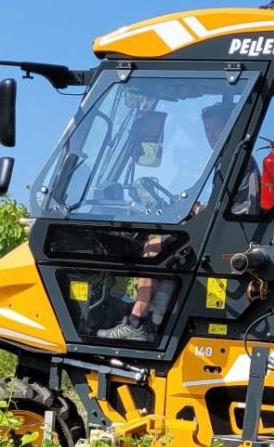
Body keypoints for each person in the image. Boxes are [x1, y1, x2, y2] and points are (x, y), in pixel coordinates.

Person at [97, 99, 260, 341]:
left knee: (151, 251)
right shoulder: (233, 161)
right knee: (160, 247)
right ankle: (154, 319)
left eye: (216, 129)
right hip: (223, 233)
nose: (211, 135)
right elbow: (222, 205)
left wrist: (196, 212)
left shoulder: (236, 162)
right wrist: (196, 207)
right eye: (208, 130)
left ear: (230, 128)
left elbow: (229, 210)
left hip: (223, 240)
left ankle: (136, 322)